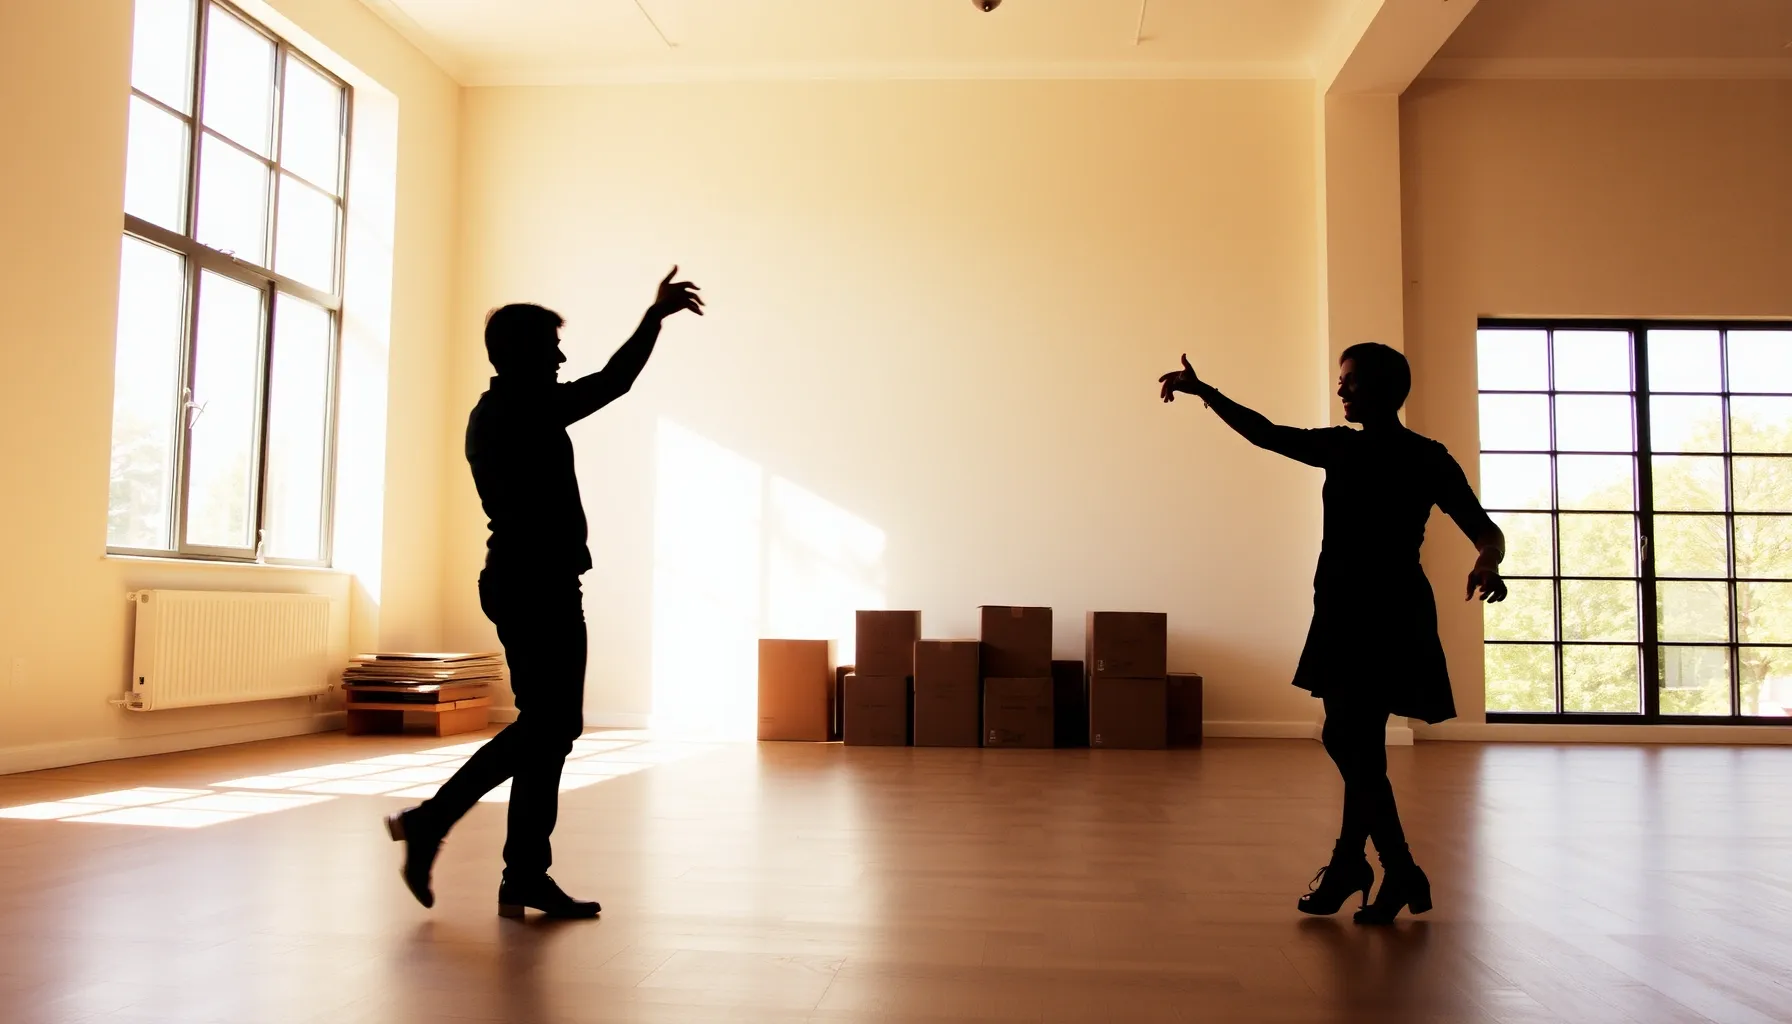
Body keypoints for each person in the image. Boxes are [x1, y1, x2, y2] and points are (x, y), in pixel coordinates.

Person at [385, 268, 704, 919]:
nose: (561, 359)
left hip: (539, 581)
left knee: (550, 732)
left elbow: (601, 383)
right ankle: (435, 822)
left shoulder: (511, 409)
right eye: (551, 348)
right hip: (532, 585)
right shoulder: (516, 411)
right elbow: (612, 382)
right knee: (549, 727)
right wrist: (654, 317)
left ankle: (523, 874)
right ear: (521, 353)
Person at [1159, 343, 1507, 924]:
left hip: (1388, 611)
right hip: (1347, 608)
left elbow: (1484, 529)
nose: (1340, 389)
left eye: (1350, 380)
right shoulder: (1345, 447)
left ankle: (1385, 866)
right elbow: (1266, 433)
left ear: (1382, 388)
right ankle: (1364, 865)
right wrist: (1206, 393)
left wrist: (1488, 561)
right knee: (1359, 743)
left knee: (1346, 738)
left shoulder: (1422, 457)